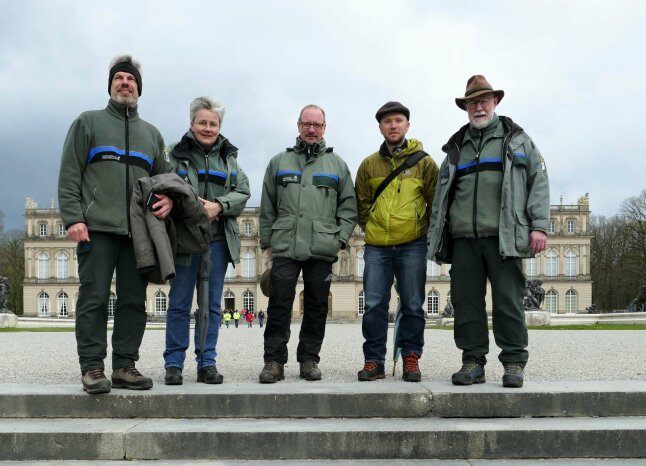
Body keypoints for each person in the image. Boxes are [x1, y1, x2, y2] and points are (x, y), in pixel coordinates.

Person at [58, 54, 173, 394]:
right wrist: (73, 217)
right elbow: (69, 173)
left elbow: (164, 179)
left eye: (131, 79)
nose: (126, 83)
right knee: (93, 298)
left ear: (139, 88)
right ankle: (92, 367)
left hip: (138, 232)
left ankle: (124, 365)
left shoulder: (152, 134)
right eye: (119, 78)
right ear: (110, 85)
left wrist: (167, 199)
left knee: (133, 300)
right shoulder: (88, 123)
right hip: (96, 228)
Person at [427, 75, 550, 388]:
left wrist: (539, 226)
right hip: (464, 239)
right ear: (466, 107)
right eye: (472, 102)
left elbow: (539, 182)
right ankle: (472, 361)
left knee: (508, 301)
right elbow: (442, 198)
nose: (478, 107)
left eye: (483, 101)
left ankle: (513, 362)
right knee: (466, 302)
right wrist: (437, 240)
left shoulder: (518, 140)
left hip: (503, 237)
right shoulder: (456, 147)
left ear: (495, 103)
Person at [258, 104, 358, 383]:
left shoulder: (337, 165)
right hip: (286, 244)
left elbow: (349, 207)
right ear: (298, 126)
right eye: (307, 124)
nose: (312, 129)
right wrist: (267, 241)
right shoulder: (279, 162)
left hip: (322, 247)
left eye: (317, 125)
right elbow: (267, 205)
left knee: (316, 305)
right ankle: (274, 361)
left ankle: (309, 359)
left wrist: (339, 240)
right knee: (279, 303)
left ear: (324, 128)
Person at [163, 97, 250, 386]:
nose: (208, 128)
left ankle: (207, 362)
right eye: (203, 122)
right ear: (192, 124)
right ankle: (174, 363)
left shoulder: (230, 159)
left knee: (211, 306)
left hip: (217, 241)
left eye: (213, 124)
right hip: (184, 239)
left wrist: (219, 206)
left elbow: (243, 193)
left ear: (219, 127)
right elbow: (162, 187)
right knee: (178, 303)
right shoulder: (174, 156)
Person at [354, 102, 439, 382]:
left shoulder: (424, 162)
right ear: (380, 126)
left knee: (413, 303)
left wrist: (420, 230)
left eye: (398, 120)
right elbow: (362, 205)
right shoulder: (368, 165)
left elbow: (434, 202)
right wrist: (373, 226)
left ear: (407, 125)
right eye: (387, 121)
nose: (393, 125)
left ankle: (411, 357)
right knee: (375, 304)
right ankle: (374, 360)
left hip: (413, 243)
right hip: (377, 245)